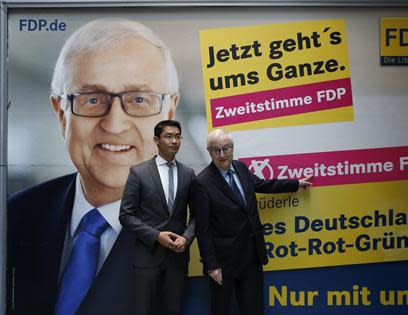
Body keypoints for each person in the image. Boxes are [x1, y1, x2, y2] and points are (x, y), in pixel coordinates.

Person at [7, 19, 180, 315]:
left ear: (169, 114)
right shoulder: (15, 216)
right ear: (62, 115)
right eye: (92, 99)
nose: (114, 124)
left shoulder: (202, 233)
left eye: (139, 99)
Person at [192, 129, 312, 315]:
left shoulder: (241, 168)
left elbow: (263, 185)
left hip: (250, 257)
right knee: (221, 310)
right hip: (223, 263)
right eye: (216, 150)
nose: (222, 154)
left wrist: (295, 184)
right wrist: (212, 266)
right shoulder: (201, 182)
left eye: (226, 148)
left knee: (253, 309)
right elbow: (203, 228)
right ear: (209, 152)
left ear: (232, 148)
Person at [119, 120, 195, 315]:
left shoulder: (188, 173)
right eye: (169, 136)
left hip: (177, 259)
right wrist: (156, 236)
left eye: (178, 136)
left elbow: (197, 215)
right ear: (156, 140)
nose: (174, 141)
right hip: (147, 257)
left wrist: (186, 238)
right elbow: (126, 215)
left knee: (174, 310)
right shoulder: (139, 172)